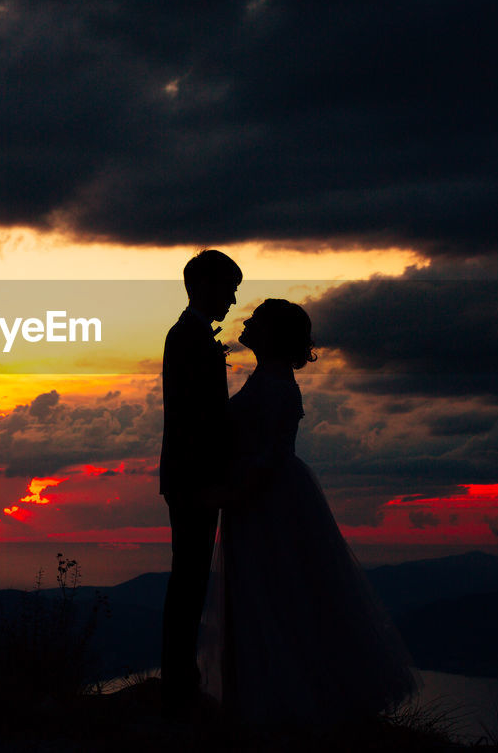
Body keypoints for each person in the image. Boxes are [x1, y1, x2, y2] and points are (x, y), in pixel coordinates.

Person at [198, 299, 419, 726]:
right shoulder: (267, 376)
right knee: (265, 593)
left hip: (269, 501)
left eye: (257, 319)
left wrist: (231, 496)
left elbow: (270, 456)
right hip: (261, 496)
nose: (246, 321)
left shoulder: (278, 385)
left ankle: (281, 704)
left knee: (275, 592)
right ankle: (262, 699)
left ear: (274, 333)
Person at [159, 249, 242, 719]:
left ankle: (180, 676)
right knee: (188, 577)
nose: (232, 299)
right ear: (205, 286)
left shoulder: (191, 335)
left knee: (189, 576)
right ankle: (178, 682)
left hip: (193, 475)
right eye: (228, 288)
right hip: (194, 478)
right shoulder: (188, 337)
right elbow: (195, 417)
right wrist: (212, 477)